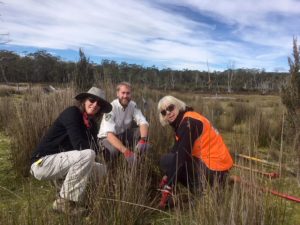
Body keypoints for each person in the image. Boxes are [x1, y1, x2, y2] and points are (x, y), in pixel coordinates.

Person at [30, 87, 112, 215]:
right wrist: (96, 149)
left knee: (102, 170)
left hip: (62, 162)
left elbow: (93, 147)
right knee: (88, 155)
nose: (95, 104)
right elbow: (80, 145)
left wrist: (101, 149)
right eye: (92, 100)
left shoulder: (92, 125)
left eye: (99, 103)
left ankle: (82, 196)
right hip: (42, 162)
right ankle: (64, 203)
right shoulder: (72, 113)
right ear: (84, 101)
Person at [157, 96, 233, 209]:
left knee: (166, 161)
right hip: (219, 167)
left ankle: (203, 194)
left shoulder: (188, 123)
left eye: (171, 108)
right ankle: (209, 188)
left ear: (178, 106)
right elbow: (177, 148)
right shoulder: (187, 118)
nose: (168, 113)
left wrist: (168, 186)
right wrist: (167, 175)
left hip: (215, 168)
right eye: (164, 112)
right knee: (171, 160)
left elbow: (180, 157)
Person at [98, 81, 150, 164]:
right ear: (117, 93)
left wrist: (143, 140)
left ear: (131, 94)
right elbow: (109, 135)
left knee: (142, 132)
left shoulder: (132, 105)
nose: (125, 96)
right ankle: (109, 167)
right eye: (123, 93)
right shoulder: (111, 108)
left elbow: (143, 122)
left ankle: (138, 160)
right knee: (113, 151)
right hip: (106, 138)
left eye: (128, 93)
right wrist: (126, 151)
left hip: (122, 135)